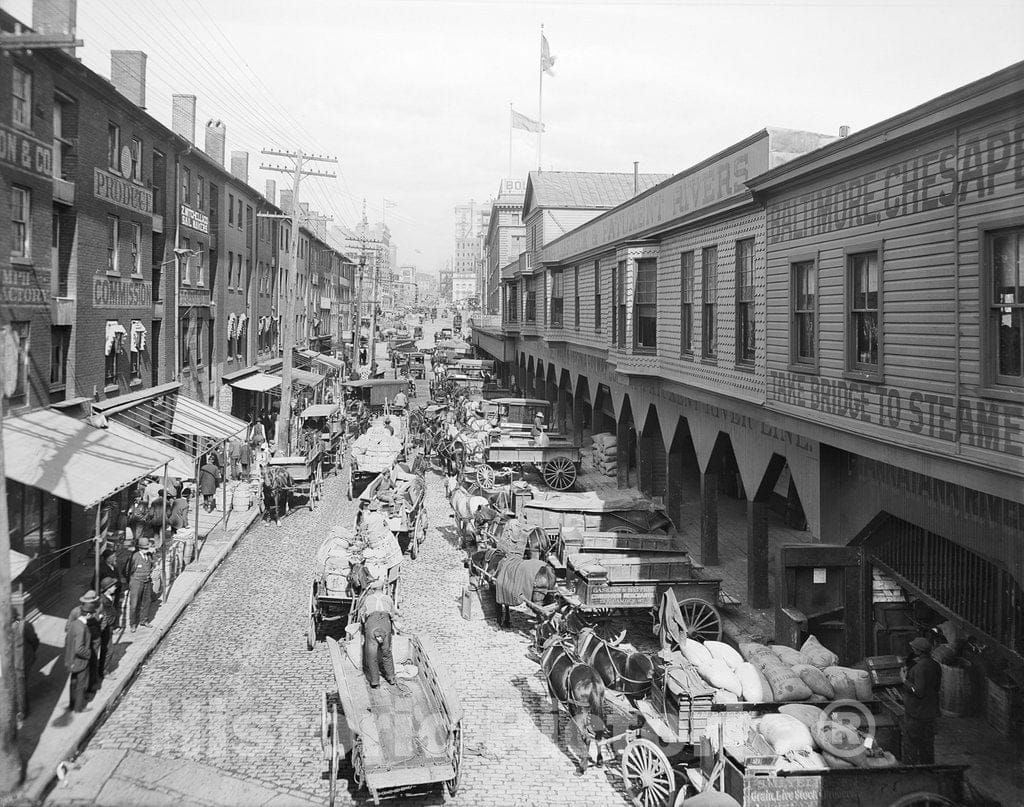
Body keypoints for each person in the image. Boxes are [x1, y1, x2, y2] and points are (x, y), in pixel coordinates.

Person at [902, 636, 942, 764]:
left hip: (917, 712)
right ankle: (929, 768)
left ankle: (912, 768)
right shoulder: (935, 665)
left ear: (918, 651)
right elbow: (936, 686)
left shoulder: (919, 668)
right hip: (930, 711)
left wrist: (905, 681)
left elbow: (918, 692)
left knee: (912, 742)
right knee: (928, 744)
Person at [356, 572, 398, 688]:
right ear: (383, 588)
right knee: (386, 652)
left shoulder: (368, 599)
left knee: (371, 654)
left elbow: (362, 614)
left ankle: (375, 681)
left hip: (372, 625)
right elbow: (393, 614)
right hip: (385, 624)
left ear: (372, 589)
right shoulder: (388, 598)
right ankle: (391, 678)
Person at [64, 594, 96, 711]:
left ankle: (71, 705)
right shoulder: (83, 628)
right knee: (81, 684)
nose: (92, 616)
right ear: (87, 614)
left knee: (73, 682)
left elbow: (68, 641)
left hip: (71, 660)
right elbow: (79, 648)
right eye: (91, 614)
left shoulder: (73, 624)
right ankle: (78, 707)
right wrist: (88, 654)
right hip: (80, 661)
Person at [125, 537, 156, 632]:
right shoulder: (134, 557)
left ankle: (144, 620)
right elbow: (127, 570)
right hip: (136, 582)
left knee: (146, 601)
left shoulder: (149, 555)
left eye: (147, 548)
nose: (147, 550)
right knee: (134, 604)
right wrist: (130, 582)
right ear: (140, 548)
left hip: (147, 581)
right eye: (145, 548)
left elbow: (151, 565)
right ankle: (133, 624)